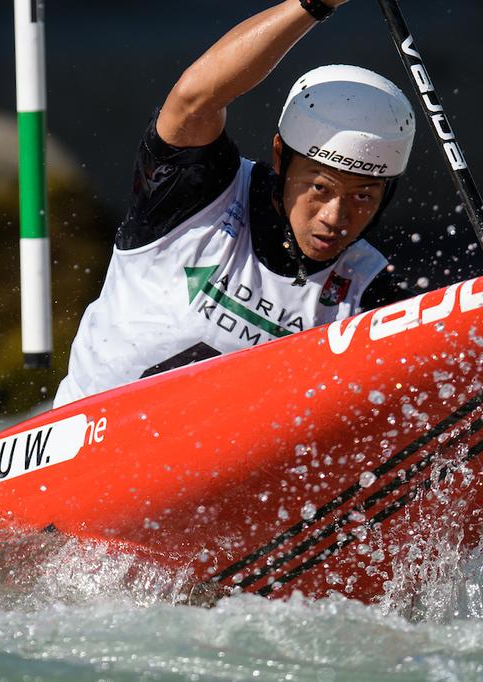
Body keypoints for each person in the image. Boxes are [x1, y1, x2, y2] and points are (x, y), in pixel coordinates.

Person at [53, 0, 416, 408]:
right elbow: (194, 97)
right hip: (85, 445)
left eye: (363, 196)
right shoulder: (197, 190)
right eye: (319, 187)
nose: (335, 217)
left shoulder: (369, 291)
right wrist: (315, 3)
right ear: (280, 155)